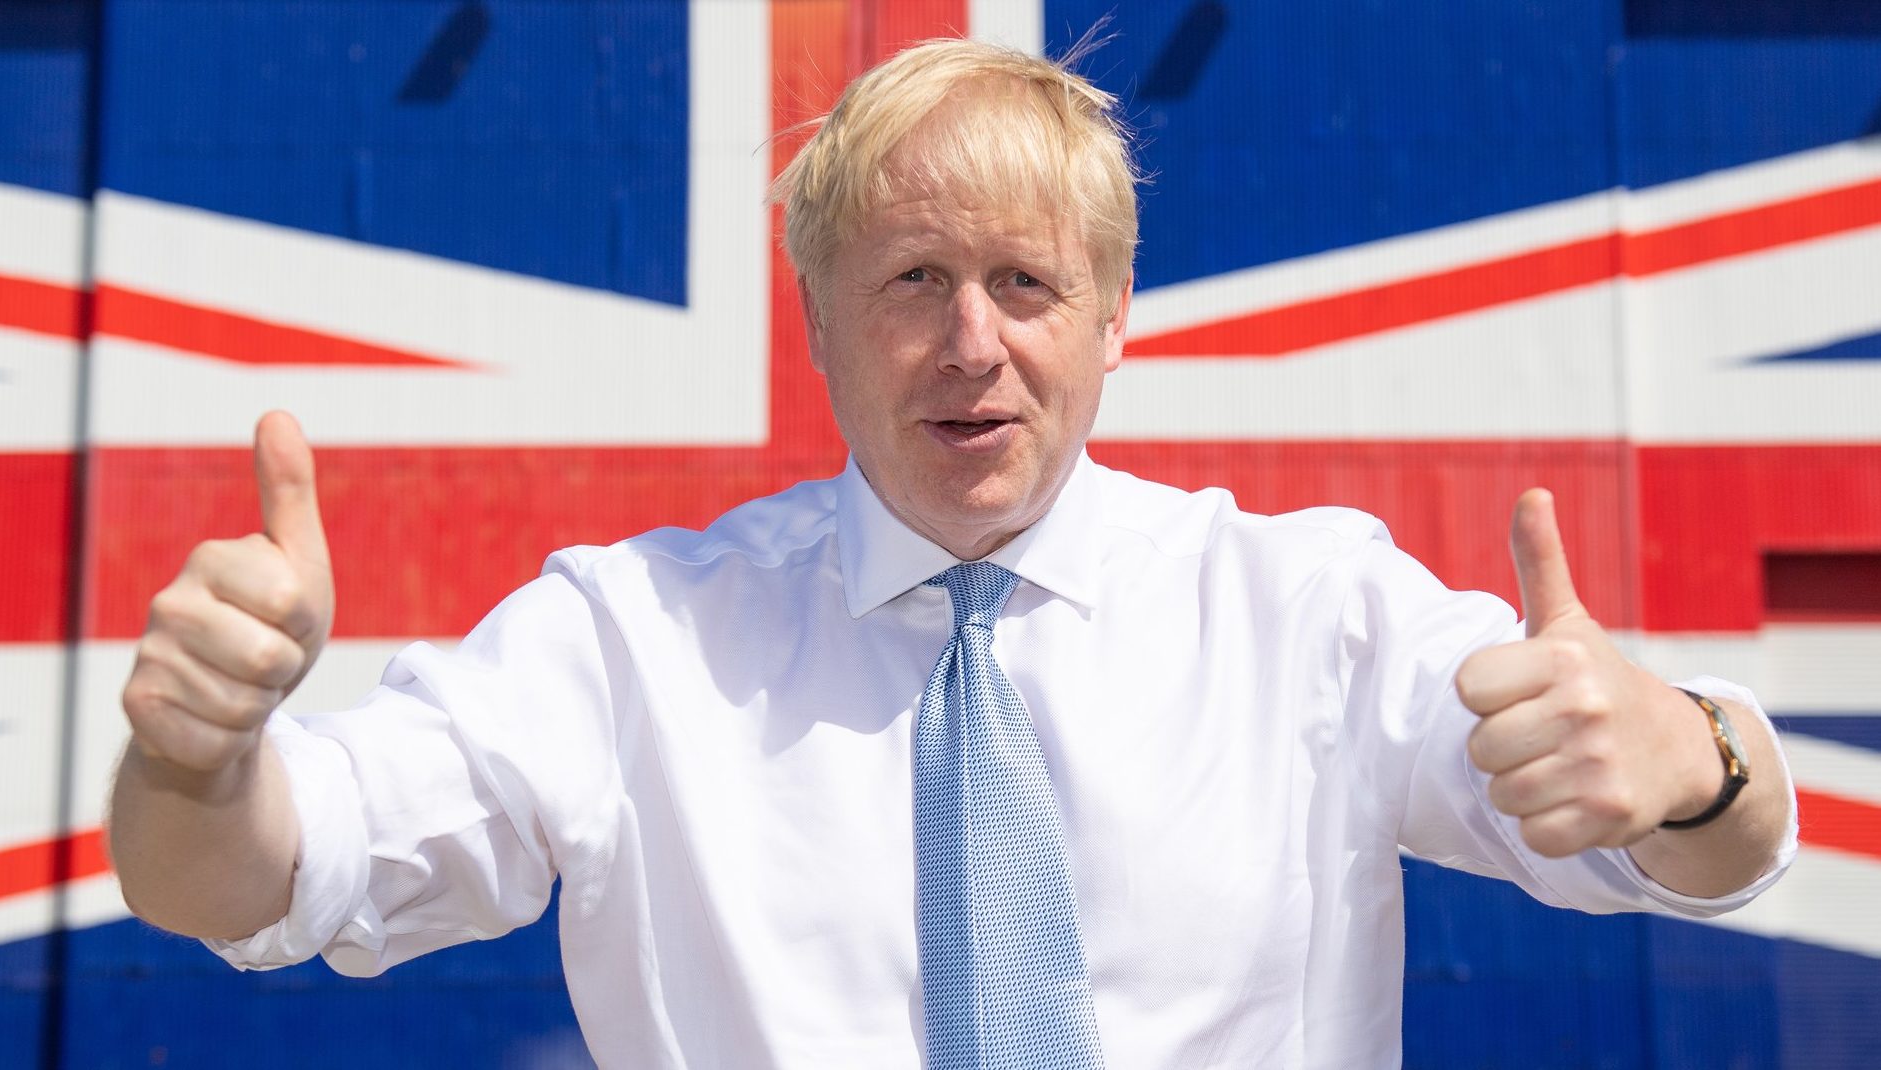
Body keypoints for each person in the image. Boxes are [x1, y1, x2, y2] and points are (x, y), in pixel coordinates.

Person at [107, 38, 1795, 1068]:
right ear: (821, 323)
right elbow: (248, 879)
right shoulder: (627, 644)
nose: (972, 344)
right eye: (912, 280)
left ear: (1116, 318)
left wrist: (1693, 759)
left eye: (1027, 284)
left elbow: (1703, 850)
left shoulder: (1314, 614)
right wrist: (198, 757)